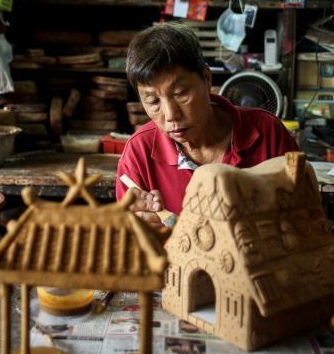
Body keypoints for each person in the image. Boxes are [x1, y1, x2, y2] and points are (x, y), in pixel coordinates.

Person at [115, 23, 298, 228]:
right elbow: (129, 244)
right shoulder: (139, 152)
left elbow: (302, 219)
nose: (170, 115)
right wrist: (139, 231)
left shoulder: (267, 132)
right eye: (153, 102)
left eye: (180, 93)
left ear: (207, 79)